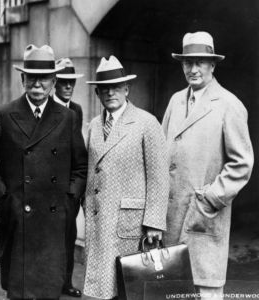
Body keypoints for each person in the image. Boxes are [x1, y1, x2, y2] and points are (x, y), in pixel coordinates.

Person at [0, 44, 88, 300]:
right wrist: (7, 201)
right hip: (19, 223)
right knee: (19, 293)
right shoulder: (3, 116)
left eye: (45, 78)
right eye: (32, 77)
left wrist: (68, 203)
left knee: (50, 292)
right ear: (22, 79)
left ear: (53, 82)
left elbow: (80, 167)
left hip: (53, 225)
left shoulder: (67, 117)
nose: (38, 84)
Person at [162, 31, 254, 300]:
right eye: (187, 62)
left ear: (212, 65)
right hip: (170, 221)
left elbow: (241, 164)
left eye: (200, 62)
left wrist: (210, 199)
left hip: (203, 219)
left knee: (205, 291)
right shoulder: (175, 101)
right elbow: (163, 153)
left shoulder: (229, 105)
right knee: (172, 291)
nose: (193, 69)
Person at [83, 55, 169, 299]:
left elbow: (159, 177)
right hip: (100, 220)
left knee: (129, 288)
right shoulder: (94, 126)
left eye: (116, 87)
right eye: (104, 89)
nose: (110, 93)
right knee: (103, 290)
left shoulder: (146, 123)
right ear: (97, 93)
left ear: (126, 89)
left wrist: (154, 222)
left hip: (131, 223)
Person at [54, 57, 84, 298]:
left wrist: (74, 191)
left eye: (71, 82)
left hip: (67, 190)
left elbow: (78, 153)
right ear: (54, 82)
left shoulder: (76, 110)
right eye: (64, 82)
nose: (68, 86)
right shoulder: (45, 107)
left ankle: (66, 282)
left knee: (68, 236)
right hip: (46, 187)